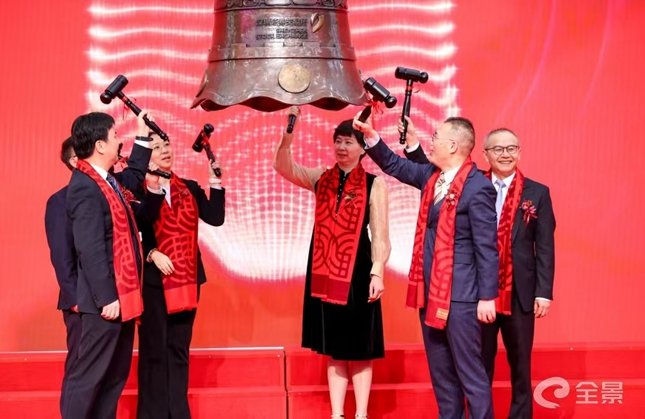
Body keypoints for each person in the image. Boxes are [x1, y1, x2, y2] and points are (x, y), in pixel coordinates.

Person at [405, 126, 556, 418]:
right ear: (485, 154)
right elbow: (432, 172)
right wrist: (413, 146)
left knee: (520, 366)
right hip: (477, 293)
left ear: (519, 153)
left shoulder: (537, 192)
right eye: (498, 149)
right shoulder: (470, 184)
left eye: (511, 148)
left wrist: (543, 293)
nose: (505, 154)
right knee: (477, 364)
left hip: (519, 293)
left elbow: (545, 247)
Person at [353, 114, 498, 419]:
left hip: (462, 298)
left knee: (471, 375)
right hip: (431, 293)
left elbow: (486, 247)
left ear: (453, 145)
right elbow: (394, 164)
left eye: (435, 137)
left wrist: (487, 296)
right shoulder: (431, 177)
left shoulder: (478, 188)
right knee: (442, 377)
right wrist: (369, 135)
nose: (430, 142)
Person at [274, 107, 390, 419]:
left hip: (359, 271)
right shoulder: (320, 178)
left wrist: (377, 272)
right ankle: (337, 414)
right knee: (335, 348)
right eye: (338, 141)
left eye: (349, 142)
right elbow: (283, 166)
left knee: (361, 347)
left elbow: (380, 234)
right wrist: (289, 132)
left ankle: (361, 414)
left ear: (362, 148)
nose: (341, 147)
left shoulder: (374, 184)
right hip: (324, 272)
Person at [61, 111, 165, 419]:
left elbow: (133, 177)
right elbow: (90, 248)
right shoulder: (85, 186)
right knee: (89, 379)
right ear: (100, 145)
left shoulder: (108, 182)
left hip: (123, 297)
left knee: (113, 378)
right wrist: (106, 297)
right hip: (104, 303)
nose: (120, 141)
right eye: (116, 136)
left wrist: (143, 135)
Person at [136, 132, 225, 419]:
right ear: (145, 155)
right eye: (156, 147)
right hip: (154, 281)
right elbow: (137, 226)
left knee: (178, 348)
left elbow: (215, 217)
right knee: (154, 349)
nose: (165, 150)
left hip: (187, 278)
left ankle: (178, 413)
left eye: (166, 144)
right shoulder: (138, 189)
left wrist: (215, 182)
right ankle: (153, 414)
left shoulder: (188, 187)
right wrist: (152, 252)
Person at [44, 138, 79, 416]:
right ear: (75, 162)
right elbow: (61, 254)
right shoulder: (60, 201)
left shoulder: (114, 194)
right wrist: (75, 297)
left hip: (114, 301)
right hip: (81, 303)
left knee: (109, 373)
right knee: (80, 369)